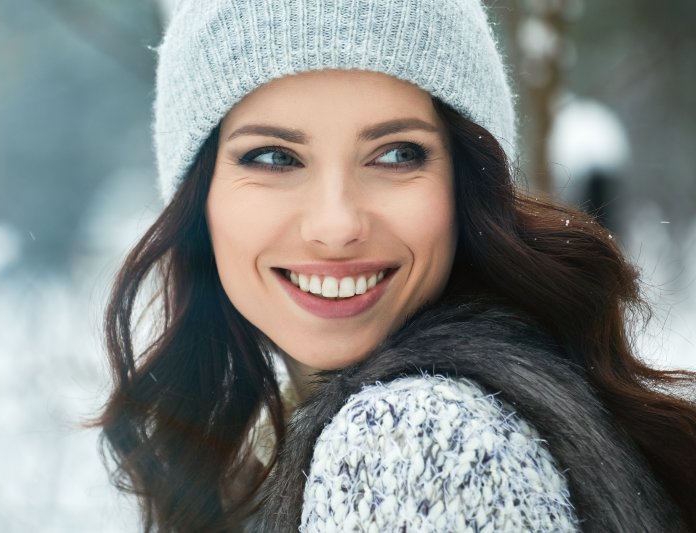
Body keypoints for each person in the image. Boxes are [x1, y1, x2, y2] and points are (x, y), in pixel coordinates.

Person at [97, 0, 696, 531]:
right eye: (275, 157)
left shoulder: (404, 442)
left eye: (395, 154)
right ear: (198, 199)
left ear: (469, 184)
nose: (336, 225)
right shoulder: (267, 447)